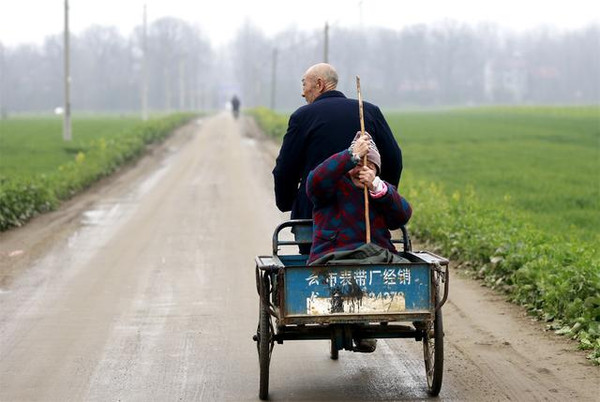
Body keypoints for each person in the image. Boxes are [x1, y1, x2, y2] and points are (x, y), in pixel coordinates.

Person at [272, 63, 402, 252]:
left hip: (314, 220)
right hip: (365, 215)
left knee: (313, 269)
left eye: (304, 85)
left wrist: (289, 202)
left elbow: (285, 169)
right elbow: (394, 160)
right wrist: (380, 195)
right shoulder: (369, 111)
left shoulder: (302, 117)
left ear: (319, 84)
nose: (302, 93)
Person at [306, 133, 413, 265]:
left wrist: (378, 188)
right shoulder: (333, 184)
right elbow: (315, 182)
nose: (362, 170)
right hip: (333, 258)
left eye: (370, 166)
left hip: (378, 259)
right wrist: (351, 155)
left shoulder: (381, 190)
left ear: (376, 171)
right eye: (358, 164)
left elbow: (402, 216)